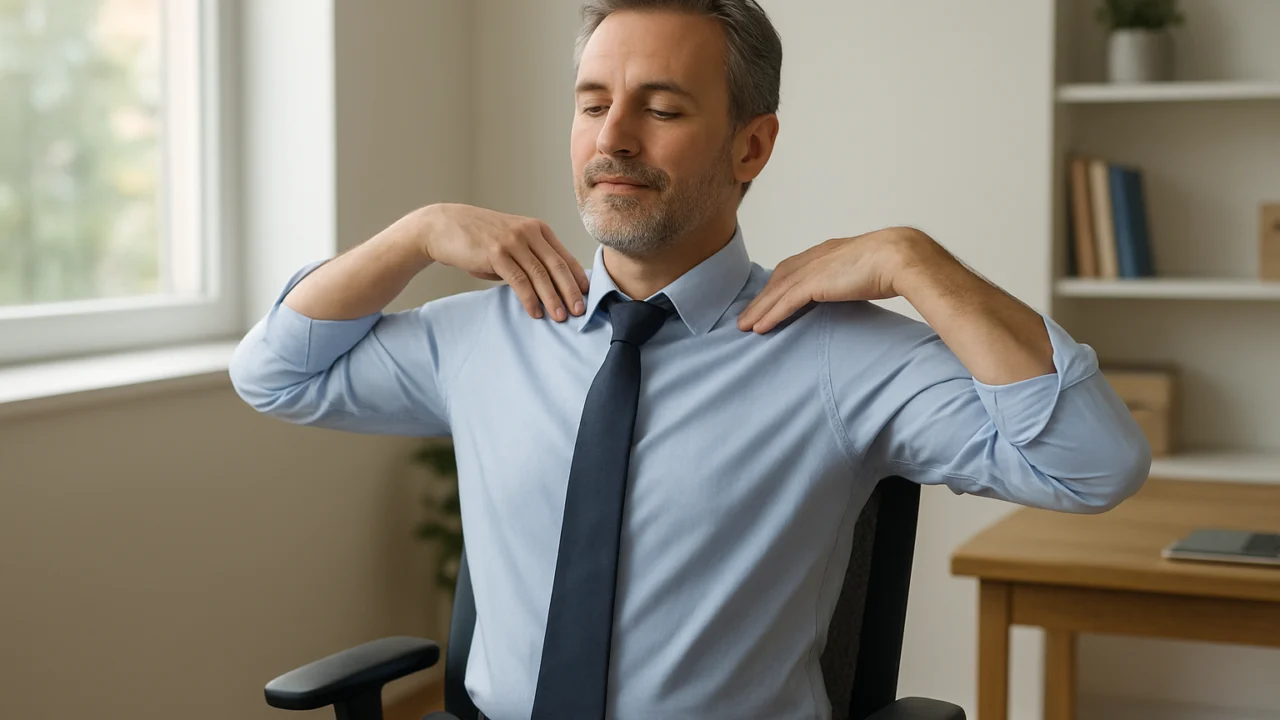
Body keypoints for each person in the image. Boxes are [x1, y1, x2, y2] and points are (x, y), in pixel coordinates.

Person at [229, 1, 1151, 718]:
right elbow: (273, 373)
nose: (613, 139)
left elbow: (1093, 464)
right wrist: (415, 233)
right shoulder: (487, 334)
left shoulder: (837, 359)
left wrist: (916, 260)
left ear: (752, 144)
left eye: (661, 107)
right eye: (593, 105)